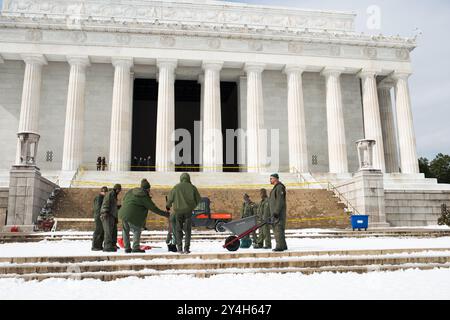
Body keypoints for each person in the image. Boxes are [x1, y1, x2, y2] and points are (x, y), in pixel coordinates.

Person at [119, 179, 169, 253]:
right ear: (147, 189)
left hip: (123, 213)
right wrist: (166, 214)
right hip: (133, 216)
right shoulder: (144, 197)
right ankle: (135, 248)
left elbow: (124, 198)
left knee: (125, 230)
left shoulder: (131, 191)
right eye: (149, 189)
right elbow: (154, 208)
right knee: (136, 230)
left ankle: (127, 248)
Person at [166, 173, 201, 254]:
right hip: (188, 211)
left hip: (178, 211)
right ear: (188, 178)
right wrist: (192, 206)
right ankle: (186, 248)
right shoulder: (192, 187)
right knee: (188, 230)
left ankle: (179, 248)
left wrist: (168, 206)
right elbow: (198, 200)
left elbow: (170, 199)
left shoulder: (176, 187)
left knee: (178, 230)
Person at [100, 184, 122, 252]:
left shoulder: (114, 195)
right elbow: (106, 203)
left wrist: (117, 207)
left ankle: (112, 245)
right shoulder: (110, 194)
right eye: (119, 190)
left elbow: (111, 205)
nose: (119, 191)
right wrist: (105, 212)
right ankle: (107, 246)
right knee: (108, 231)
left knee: (112, 231)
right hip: (107, 215)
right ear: (116, 189)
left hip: (112, 215)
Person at [269, 173, 288, 252]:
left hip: (278, 214)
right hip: (275, 213)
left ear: (276, 179)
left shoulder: (279, 187)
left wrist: (276, 212)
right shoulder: (276, 188)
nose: (270, 180)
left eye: (271, 178)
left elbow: (280, 201)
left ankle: (279, 246)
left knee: (278, 229)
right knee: (279, 229)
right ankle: (283, 245)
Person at [91, 186, 108, 251]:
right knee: (98, 231)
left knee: (101, 231)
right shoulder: (99, 198)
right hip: (99, 216)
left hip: (99, 216)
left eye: (105, 192)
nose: (104, 193)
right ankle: (95, 246)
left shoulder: (101, 197)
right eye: (104, 192)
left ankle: (99, 246)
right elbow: (98, 208)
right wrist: (101, 214)